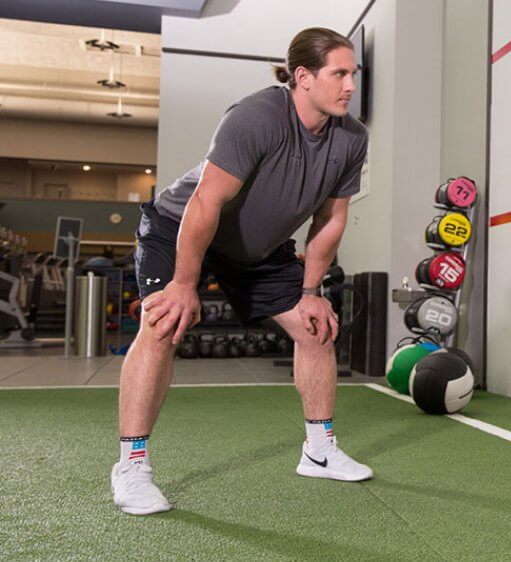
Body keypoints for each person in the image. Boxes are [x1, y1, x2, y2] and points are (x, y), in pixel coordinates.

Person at [111, 27, 370, 515]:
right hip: (180, 226)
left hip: (255, 249)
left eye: (352, 74)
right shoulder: (257, 116)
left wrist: (311, 291)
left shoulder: (351, 138)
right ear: (303, 77)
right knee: (162, 323)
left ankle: (319, 450)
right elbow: (206, 202)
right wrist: (184, 284)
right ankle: (132, 465)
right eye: (339, 74)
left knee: (315, 326)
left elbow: (331, 220)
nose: (350, 86)